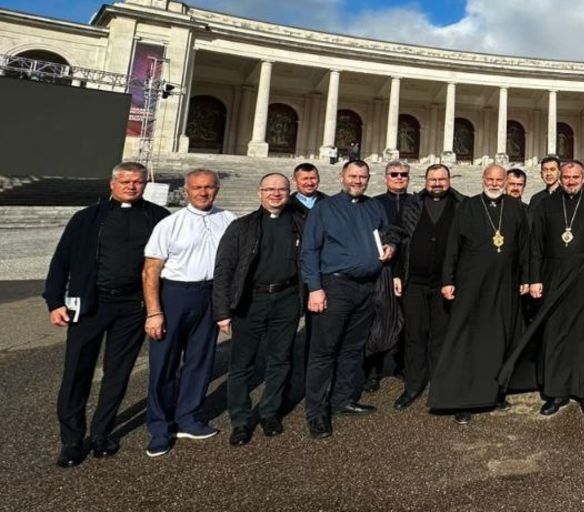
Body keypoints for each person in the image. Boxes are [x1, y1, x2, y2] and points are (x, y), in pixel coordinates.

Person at [44, 161, 169, 467]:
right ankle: (72, 439)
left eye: (137, 182)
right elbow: (61, 261)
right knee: (77, 371)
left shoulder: (159, 218)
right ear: (112, 184)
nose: (131, 186)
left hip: (132, 306)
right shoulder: (86, 218)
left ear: (144, 184)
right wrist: (54, 301)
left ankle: (102, 433)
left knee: (118, 373)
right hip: (90, 304)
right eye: (125, 181)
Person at [505, 160, 584, 416]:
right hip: (553, 276)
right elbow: (536, 246)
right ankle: (557, 392)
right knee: (555, 334)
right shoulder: (546, 205)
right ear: (560, 178)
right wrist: (534, 279)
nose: (571, 181)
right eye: (567, 177)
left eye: (576, 177)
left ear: (583, 177)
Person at [142, 169, 237, 457]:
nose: (203, 192)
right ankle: (159, 426)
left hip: (210, 295)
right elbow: (150, 270)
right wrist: (153, 312)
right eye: (197, 187)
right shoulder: (169, 224)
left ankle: (188, 417)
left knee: (200, 360)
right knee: (164, 363)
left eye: (209, 187)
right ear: (186, 191)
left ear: (217, 189)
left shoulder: (229, 220)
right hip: (175, 294)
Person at [300, 160, 397, 439]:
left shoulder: (373, 206)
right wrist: (315, 288)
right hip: (335, 286)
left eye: (363, 177)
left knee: (353, 348)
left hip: (366, 287)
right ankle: (317, 411)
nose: (358, 181)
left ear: (368, 179)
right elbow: (309, 250)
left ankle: (342, 399)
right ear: (342, 177)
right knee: (324, 350)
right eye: (353, 176)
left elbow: (388, 232)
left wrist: (391, 246)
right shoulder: (325, 208)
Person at [429, 165, 531, 423]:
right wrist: (447, 280)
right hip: (472, 283)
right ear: (483, 180)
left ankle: (495, 391)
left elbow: (524, 247)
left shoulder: (516, 207)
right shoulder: (469, 206)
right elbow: (453, 245)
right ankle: (462, 399)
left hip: (505, 284)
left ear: (506, 181)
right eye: (490, 179)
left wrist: (527, 277)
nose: (495, 184)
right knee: (468, 339)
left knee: (500, 339)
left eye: (499, 180)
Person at [211, 173, 303, 446]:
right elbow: (223, 269)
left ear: (289, 193)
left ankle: (270, 412)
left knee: (280, 358)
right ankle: (240, 420)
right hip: (251, 300)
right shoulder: (241, 226)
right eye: (270, 189)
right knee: (241, 363)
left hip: (287, 298)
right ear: (259, 193)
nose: (276, 194)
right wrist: (221, 311)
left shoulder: (301, 223)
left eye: (281, 190)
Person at [393, 164, 463, 410]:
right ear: (425, 180)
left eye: (441, 179)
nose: (436, 183)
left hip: (446, 283)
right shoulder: (412, 204)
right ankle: (413, 385)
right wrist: (398, 273)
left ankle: (441, 384)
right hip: (415, 281)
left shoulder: (461, 205)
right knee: (415, 334)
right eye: (432, 179)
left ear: (449, 180)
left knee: (441, 335)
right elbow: (400, 238)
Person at [363, 160, 410, 393]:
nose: (399, 178)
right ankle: (373, 370)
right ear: (385, 177)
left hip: (408, 268)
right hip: (383, 269)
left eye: (403, 174)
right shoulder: (374, 204)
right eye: (394, 174)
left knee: (407, 320)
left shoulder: (415, 202)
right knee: (379, 321)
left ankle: (402, 364)